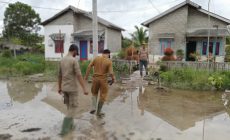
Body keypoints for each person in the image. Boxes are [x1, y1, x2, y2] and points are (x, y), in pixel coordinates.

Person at [58, 44, 88, 136]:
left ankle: (70, 125)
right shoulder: (73, 60)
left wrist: (59, 87)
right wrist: (84, 88)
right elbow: (79, 75)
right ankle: (64, 129)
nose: (76, 54)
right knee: (73, 108)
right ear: (74, 50)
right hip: (72, 89)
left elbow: (59, 75)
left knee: (68, 107)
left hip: (64, 88)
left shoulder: (62, 60)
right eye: (76, 52)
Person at [84, 49, 115, 118]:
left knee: (94, 93)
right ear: (108, 54)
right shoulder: (108, 61)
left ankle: (93, 107)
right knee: (103, 95)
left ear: (102, 53)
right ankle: (98, 112)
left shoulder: (96, 58)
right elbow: (111, 73)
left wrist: (86, 76)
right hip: (103, 80)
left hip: (95, 79)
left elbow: (89, 66)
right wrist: (113, 79)